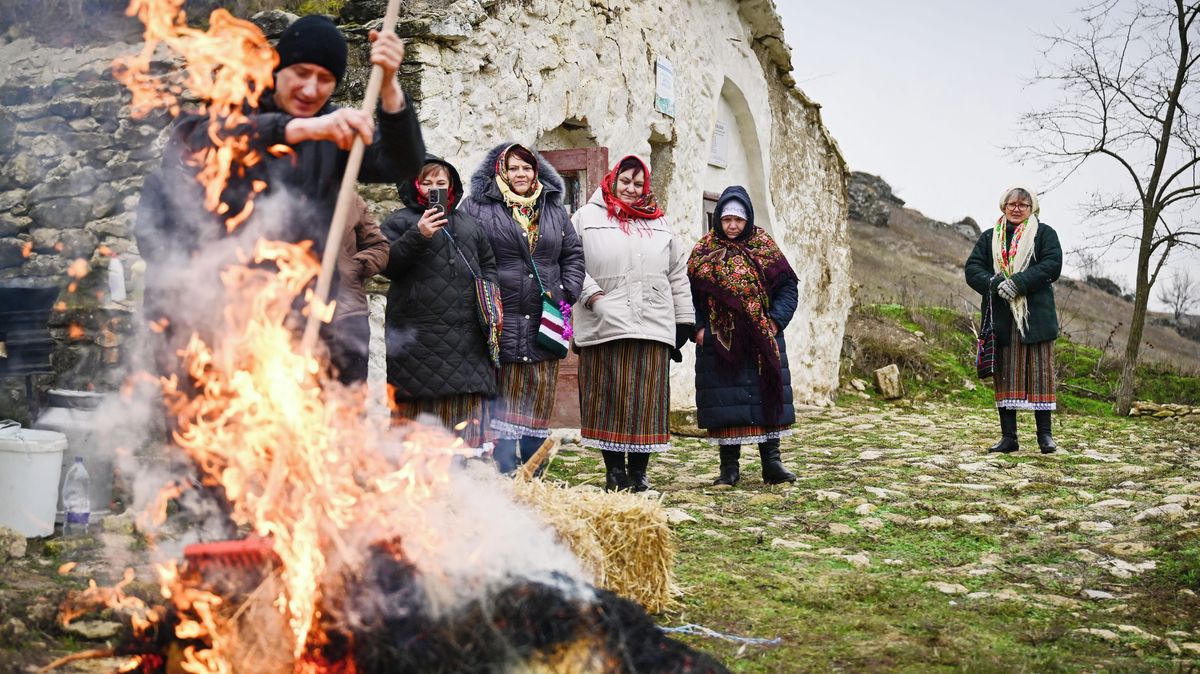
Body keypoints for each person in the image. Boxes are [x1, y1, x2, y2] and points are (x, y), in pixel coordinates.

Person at [136, 14, 425, 374]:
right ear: (278, 69)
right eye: (301, 73)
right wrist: (299, 129)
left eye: (324, 79)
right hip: (214, 319)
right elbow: (200, 136)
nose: (310, 89)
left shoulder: (332, 128)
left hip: (302, 322)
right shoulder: (241, 108)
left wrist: (390, 85)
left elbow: (404, 162)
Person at [460, 143, 585, 472]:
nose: (520, 174)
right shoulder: (476, 207)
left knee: (540, 397)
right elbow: (462, 254)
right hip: (499, 318)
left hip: (547, 317)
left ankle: (533, 474)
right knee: (502, 396)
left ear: (536, 172)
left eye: (527, 168)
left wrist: (564, 293)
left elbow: (572, 256)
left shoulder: (554, 210)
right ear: (500, 170)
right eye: (513, 168)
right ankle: (503, 473)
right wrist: (483, 296)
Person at [571, 155, 693, 492]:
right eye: (626, 181)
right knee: (607, 397)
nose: (631, 188)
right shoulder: (585, 218)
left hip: (652, 322)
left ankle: (639, 473)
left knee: (646, 402)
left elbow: (677, 274)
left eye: (638, 184)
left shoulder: (660, 223)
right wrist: (593, 297)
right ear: (613, 180)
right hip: (604, 321)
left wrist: (683, 320)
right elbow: (569, 262)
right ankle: (614, 472)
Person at [381, 156, 498, 448]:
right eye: (427, 182)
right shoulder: (398, 222)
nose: (434, 188)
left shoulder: (470, 225)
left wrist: (488, 300)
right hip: (418, 338)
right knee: (419, 421)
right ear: (415, 185)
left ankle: (465, 482)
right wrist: (418, 235)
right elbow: (387, 265)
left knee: (463, 413)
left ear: (451, 187)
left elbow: (489, 266)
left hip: (466, 336)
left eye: (440, 183)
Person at [688, 186, 798, 486]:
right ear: (718, 221)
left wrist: (775, 321)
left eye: (738, 219)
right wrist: (698, 329)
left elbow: (788, 287)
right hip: (719, 341)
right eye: (726, 219)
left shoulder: (764, 246)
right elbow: (690, 295)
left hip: (763, 339)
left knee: (766, 395)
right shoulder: (703, 252)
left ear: (748, 218)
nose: (733, 225)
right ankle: (729, 469)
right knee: (726, 399)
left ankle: (772, 464)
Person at [965, 187, 1062, 454]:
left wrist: (1018, 283)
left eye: (1023, 204)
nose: (1017, 208)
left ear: (1032, 208)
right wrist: (994, 282)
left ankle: (1045, 436)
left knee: (1040, 374)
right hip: (1002, 317)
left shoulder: (1044, 235)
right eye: (1012, 204)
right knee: (1005, 374)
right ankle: (1009, 437)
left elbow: (1052, 264)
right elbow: (973, 269)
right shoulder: (989, 238)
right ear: (1003, 207)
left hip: (1036, 316)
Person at [330, 195, 389, 385]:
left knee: (350, 396)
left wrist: (356, 265)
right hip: (294, 316)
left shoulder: (351, 200)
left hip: (348, 314)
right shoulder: (280, 193)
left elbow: (379, 246)